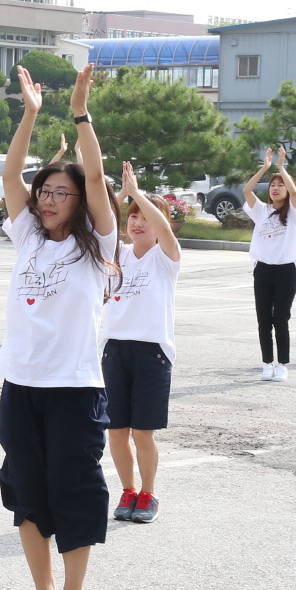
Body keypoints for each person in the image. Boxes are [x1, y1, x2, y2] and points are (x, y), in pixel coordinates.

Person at [0, 63, 117, 590]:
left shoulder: (98, 248)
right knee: (26, 491)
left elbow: (94, 176)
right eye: (45, 191)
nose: (48, 199)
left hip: (73, 387)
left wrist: (80, 111)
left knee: (74, 489)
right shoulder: (26, 236)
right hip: (20, 384)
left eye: (59, 194)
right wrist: (30, 113)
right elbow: (10, 171)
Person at [103, 163, 182, 526]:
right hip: (114, 350)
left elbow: (164, 228)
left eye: (144, 217)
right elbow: (98, 218)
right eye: (132, 216)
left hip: (152, 352)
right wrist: (122, 196)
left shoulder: (165, 258)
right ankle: (128, 490)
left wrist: (137, 194)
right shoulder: (116, 254)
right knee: (116, 430)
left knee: (142, 431)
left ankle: (148, 493)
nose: (137, 222)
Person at [245, 148, 296, 381]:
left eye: (280, 185)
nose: (276, 188)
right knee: (263, 319)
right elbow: (247, 190)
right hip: (263, 270)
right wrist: (264, 168)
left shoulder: (294, 212)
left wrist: (281, 167)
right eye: (272, 185)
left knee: (281, 317)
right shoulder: (261, 210)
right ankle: (267, 363)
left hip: (286, 270)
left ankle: (283, 364)